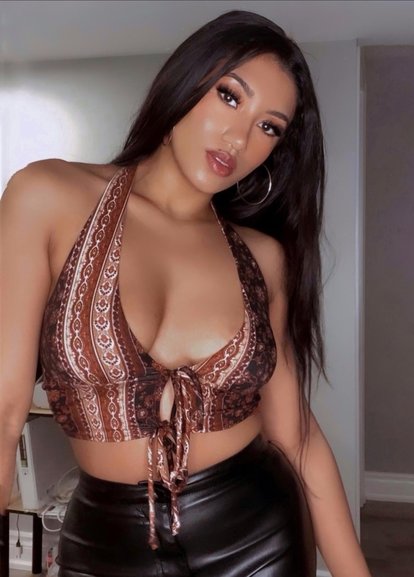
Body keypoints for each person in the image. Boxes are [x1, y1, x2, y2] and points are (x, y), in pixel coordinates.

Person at [0, 10, 372, 577]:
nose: (239, 138)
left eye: (269, 127)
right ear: (186, 81)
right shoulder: (46, 196)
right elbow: (4, 414)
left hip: (258, 536)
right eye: (230, 96)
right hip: (104, 545)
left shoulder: (262, 258)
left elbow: (296, 436)